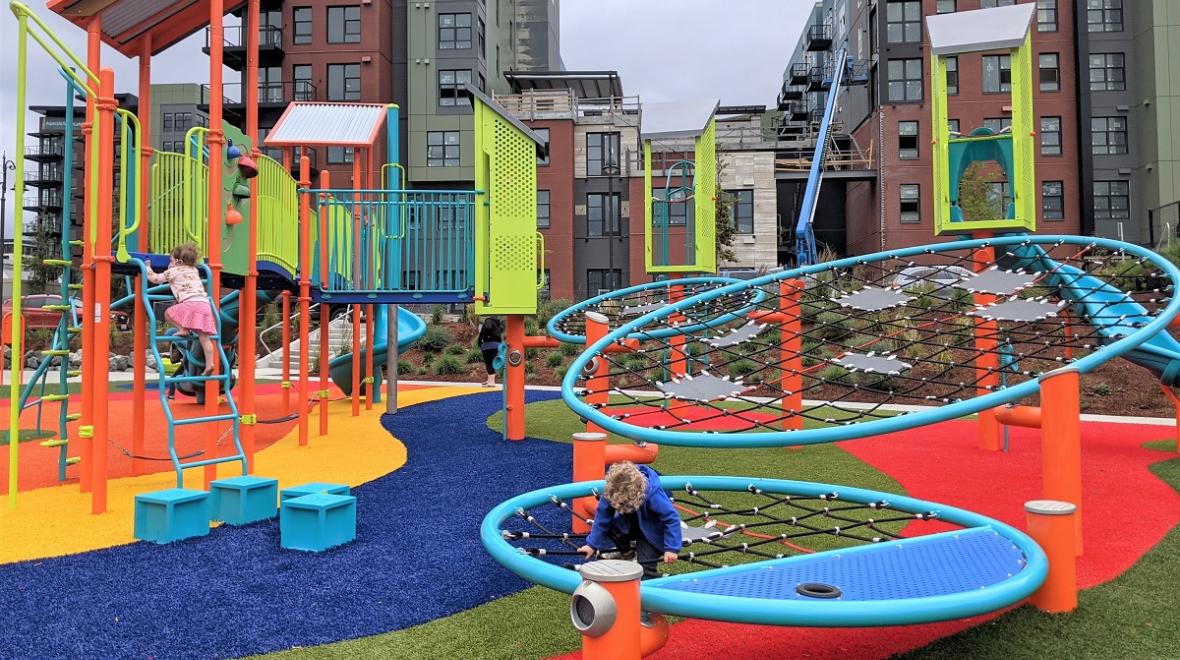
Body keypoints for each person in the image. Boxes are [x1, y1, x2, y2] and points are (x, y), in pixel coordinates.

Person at [578, 462, 682, 581]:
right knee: (610, 523)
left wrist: (672, 548)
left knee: (644, 571)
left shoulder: (652, 494)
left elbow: (672, 518)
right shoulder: (612, 490)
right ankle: (627, 552)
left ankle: (670, 581)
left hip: (652, 531)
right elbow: (602, 517)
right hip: (629, 524)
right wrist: (591, 545)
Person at [146, 243, 218, 375]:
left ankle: (182, 329)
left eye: (171, 261)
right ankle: (210, 364)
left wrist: (147, 268)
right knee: (205, 338)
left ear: (178, 261)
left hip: (190, 304)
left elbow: (155, 279)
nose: (170, 264)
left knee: (168, 313)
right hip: (205, 305)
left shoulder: (173, 271)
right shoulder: (194, 270)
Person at [477, 317, 503, 387]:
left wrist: (481, 342)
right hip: (496, 345)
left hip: (487, 345)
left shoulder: (488, 321)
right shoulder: (497, 323)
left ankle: (492, 382)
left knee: (488, 363)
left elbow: (485, 330)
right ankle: (489, 380)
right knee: (492, 362)